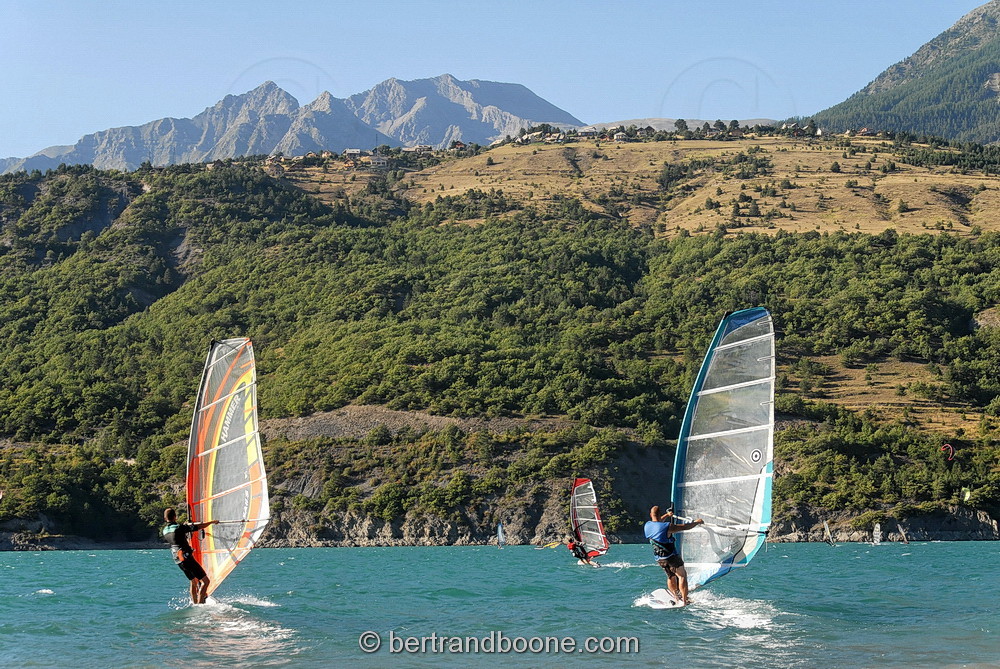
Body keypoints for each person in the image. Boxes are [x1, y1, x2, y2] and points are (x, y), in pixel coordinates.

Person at [643, 505, 703, 605]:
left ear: (650, 515)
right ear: (659, 514)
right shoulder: (667, 526)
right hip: (671, 556)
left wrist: (667, 515)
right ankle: (684, 600)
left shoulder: (647, 526)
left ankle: (675, 597)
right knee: (682, 576)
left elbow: (657, 522)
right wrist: (697, 522)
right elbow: (685, 527)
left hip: (659, 559)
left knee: (671, 576)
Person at [162, 508, 219, 604]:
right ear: (175, 517)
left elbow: (177, 534)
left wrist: (184, 526)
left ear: (165, 518)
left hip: (178, 559)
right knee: (205, 582)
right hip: (186, 557)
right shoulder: (179, 527)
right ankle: (200, 605)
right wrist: (211, 522)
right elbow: (198, 526)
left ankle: (195, 603)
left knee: (194, 581)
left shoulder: (164, 530)